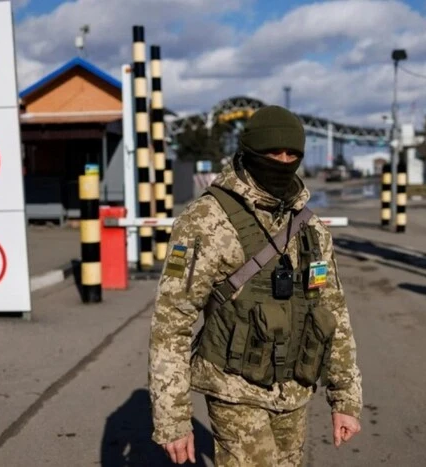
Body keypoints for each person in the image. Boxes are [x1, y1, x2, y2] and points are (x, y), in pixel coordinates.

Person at [148, 105, 363, 466]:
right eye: (272, 153)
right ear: (249, 153)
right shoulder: (206, 221)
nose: (283, 160)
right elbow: (172, 322)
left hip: (295, 389)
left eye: (292, 154)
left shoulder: (311, 229)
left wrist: (346, 399)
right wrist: (172, 418)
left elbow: (333, 314)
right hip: (234, 389)